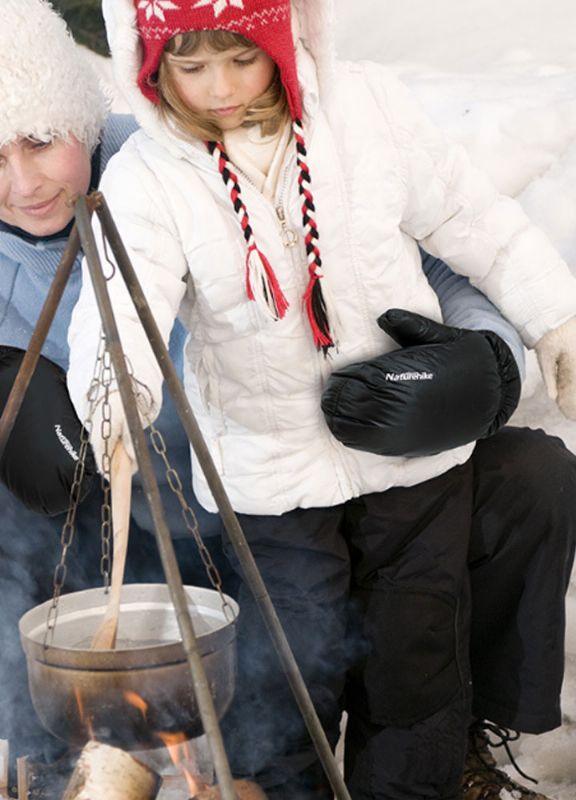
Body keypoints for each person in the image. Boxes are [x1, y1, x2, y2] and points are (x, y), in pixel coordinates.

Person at [64, 0, 576, 798]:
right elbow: (119, 309)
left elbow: (473, 219)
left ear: (280, 35)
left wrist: (555, 316)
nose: (220, 89)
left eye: (241, 59)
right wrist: (113, 396)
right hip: (270, 481)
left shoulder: (365, 111)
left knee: (417, 663)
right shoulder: (151, 176)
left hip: (413, 455)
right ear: (152, 61)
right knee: (291, 674)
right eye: (190, 68)